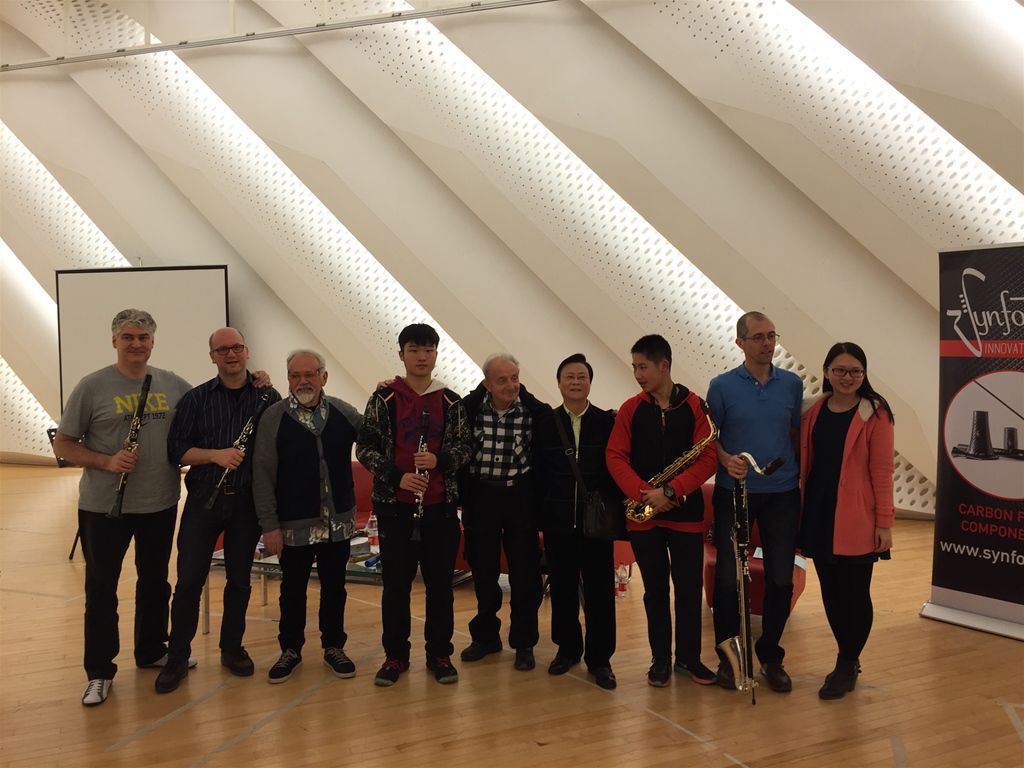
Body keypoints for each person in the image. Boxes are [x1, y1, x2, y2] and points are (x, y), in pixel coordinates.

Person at [53, 309, 192, 707]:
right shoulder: (92, 387)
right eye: (128, 337)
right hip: (103, 508)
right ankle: (99, 672)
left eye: (143, 337)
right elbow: (63, 444)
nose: (136, 344)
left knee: (154, 584)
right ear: (114, 341)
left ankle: (151, 652)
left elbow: (212, 403)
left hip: (159, 503)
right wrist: (106, 461)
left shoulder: (171, 383)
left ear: (152, 342)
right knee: (101, 590)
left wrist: (256, 381)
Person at [156, 328, 280, 693]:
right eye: (222, 349)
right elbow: (176, 450)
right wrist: (215, 454)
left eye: (237, 347)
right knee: (189, 582)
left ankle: (232, 648)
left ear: (247, 351)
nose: (231, 355)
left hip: (246, 503)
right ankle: (177, 656)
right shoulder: (196, 399)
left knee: (239, 581)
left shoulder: (267, 395)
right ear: (212, 356)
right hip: (203, 500)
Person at [356, 324, 472, 686]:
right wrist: (396, 476)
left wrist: (440, 461)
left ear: (436, 355)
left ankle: (440, 654)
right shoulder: (383, 399)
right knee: (396, 587)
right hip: (396, 508)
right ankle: (395, 656)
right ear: (402, 354)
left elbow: (466, 446)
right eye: (414, 350)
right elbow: (366, 448)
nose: (422, 357)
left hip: (439, 508)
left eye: (428, 350)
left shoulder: (451, 401)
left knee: (440, 586)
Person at [607, 335, 718, 687]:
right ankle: (660, 661)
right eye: (635, 367)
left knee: (688, 589)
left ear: (663, 366)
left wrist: (671, 490)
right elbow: (615, 456)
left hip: (684, 514)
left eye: (643, 367)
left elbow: (709, 456)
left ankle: (689, 659)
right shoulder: (630, 409)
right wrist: (646, 495)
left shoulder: (696, 406)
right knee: (654, 591)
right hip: (644, 516)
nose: (638, 374)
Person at [706, 311, 804, 692]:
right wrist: (724, 458)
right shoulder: (722, 386)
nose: (767, 343)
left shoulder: (792, 385)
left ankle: (769, 655)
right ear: (740, 342)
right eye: (759, 337)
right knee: (729, 582)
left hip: (782, 494)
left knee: (781, 580)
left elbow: (795, 432)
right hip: (735, 495)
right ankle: (731, 659)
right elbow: (711, 437)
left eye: (771, 336)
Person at [252, 349, 362, 684]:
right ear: (287, 380)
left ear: (323, 377)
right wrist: (269, 526)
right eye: (295, 376)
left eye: (310, 374)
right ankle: (290, 650)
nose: (303, 381)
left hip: (337, 524)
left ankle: (333, 647)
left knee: (335, 588)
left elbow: (375, 438)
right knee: (293, 590)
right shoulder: (273, 418)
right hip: (293, 526)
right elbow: (262, 474)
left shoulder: (344, 413)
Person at [800, 342, 894, 700]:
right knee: (831, 591)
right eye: (839, 370)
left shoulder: (875, 413)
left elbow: (882, 472)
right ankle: (846, 656)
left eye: (856, 371)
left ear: (864, 375)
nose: (848, 377)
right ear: (826, 372)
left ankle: (847, 661)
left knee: (855, 594)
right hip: (820, 510)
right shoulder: (813, 409)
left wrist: (884, 523)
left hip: (857, 515)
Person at [532, 354, 618, 690]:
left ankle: (601, 660)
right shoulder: (545, 423)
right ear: (559, 383)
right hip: (557, 522)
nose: (576, 382)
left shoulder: (607, 421)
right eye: (569, 377)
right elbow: (537, 474)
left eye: (582, 376)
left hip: (597, 524)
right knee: (563, 590)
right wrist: (542, 514)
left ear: (590, 383)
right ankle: (567, 650)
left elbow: (614, 469)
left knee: (599, 593)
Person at [459, 353, 548, 671]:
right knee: (483, 573)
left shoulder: (536, 413)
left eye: (514, 377)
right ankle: (486, 637)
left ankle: (524, 643)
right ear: (487, 384)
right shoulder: (467, 410)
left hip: (520, 497)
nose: (511, 385)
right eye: (502, 380)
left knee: (525, 576)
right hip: (480, 497)